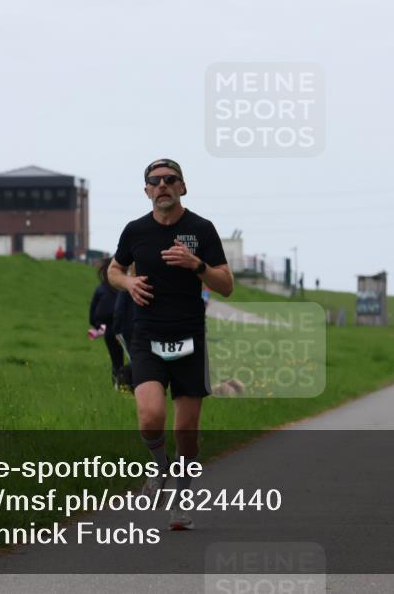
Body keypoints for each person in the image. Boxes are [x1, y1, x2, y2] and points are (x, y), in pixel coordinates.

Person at [108, 158, 234, 531]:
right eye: (155, 181)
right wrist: (128, 284)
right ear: (146, 191)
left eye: (170, 180)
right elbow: (115, 270)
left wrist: (197, 265)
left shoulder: (201, 228)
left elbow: (226, 284)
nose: (162, 185)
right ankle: (159, 464)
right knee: (149, 416)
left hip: (189, 336)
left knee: (188, 433)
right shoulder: (135, 231)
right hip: (146, 334)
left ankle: (181, 497)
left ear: (182, 187)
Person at [89, 257, 125, 386]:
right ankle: (125, 385)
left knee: (117, 360)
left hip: (110, 329)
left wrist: (98, 327)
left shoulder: (101, 289)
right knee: (132, 359)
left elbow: (92, 316)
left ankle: (119, 385)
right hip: (124, 329)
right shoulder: (124, 288)